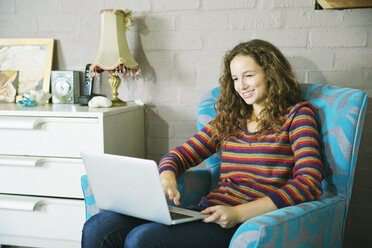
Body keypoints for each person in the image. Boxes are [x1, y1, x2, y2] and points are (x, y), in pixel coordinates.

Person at [82, 39, 324, 248]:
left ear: (271, 73)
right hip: (209, 212)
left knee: (142, 239)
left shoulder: (298, 116)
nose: (241, 86)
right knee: (99, 226)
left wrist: (239, 213)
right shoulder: (232, 120)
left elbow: (309, 183)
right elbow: (178, 156)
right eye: (236, 78)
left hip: (244, 221)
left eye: (249, 75)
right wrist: (167, 176)